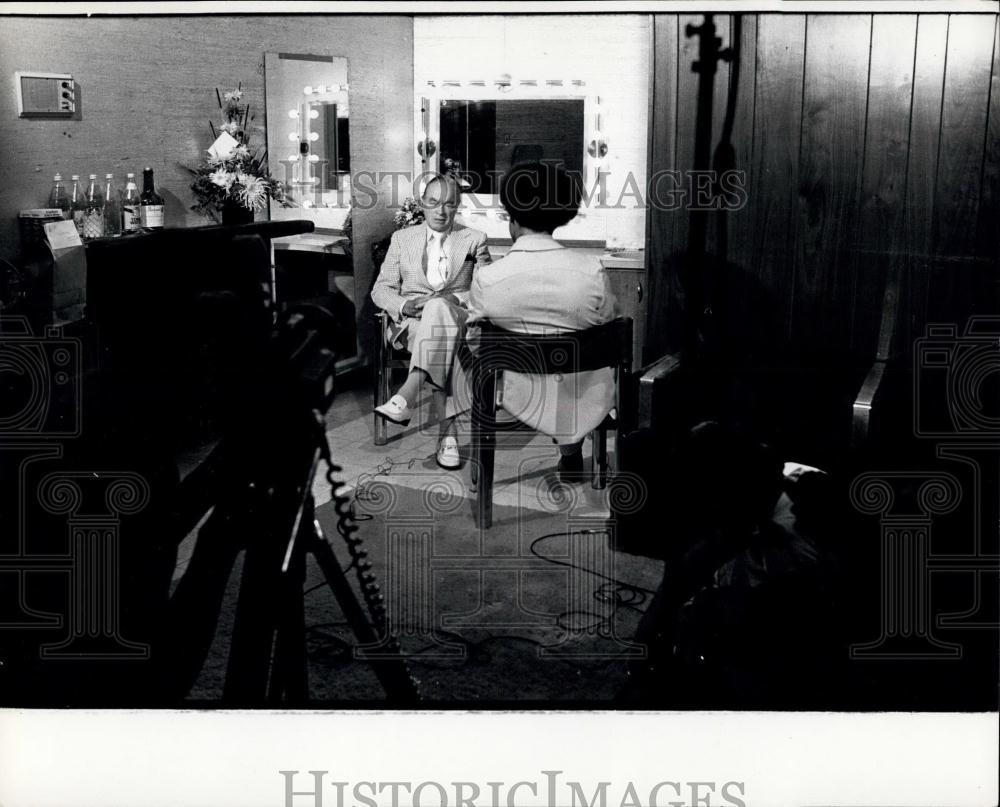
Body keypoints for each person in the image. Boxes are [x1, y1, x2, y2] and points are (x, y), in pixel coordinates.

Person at [467, 162, 618, 480]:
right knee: (580, 362)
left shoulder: (488, 278)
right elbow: (609, 328)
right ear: (560, 215)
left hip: (519, 396)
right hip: (586, 395)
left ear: (512, 218)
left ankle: (482, 482)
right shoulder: (591, 271)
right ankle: (572, 452)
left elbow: (476, 344)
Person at [370, 173, 491, 468]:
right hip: (412, 325)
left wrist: (455, 299)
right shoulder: (402, 239)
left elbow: (486, 290)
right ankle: (447, 437)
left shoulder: (475, 239)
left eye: (449, 204)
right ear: (422, 203)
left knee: (440, 311)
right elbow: (380, 289)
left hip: (457, 321)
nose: (441, 211)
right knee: (443, 342)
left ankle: (406, 394)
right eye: (434, 202)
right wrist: (404, 305)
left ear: (458, 206)